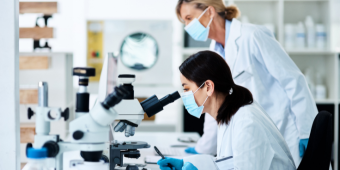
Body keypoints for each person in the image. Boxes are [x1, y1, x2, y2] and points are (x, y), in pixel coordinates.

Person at [176, 0, 317, 166]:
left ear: (209, 11)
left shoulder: (252, 35)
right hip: (249, 134)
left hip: (284, 127)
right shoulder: (214, 52)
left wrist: (307, 130)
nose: (187, 26)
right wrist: (204, 148)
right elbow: (213, 102)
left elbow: (292, 79)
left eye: (189, 18)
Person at [158, 51, 296, 170]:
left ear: (208, 87)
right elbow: (228, 162)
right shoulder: (228, 114)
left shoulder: (246, 122)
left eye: (187, 88)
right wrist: (187, 162)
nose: (184, 95)